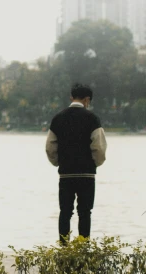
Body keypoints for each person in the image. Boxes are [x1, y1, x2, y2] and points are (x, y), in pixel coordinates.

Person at [45, 83, 107, 244]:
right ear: (87, 100)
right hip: (86, 174)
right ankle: (83, 246)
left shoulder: (58, 118)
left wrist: (58, 163)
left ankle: (64, 245)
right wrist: (94, 164)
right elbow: (99, 147)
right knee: (85, 212)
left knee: (65, 211)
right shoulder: (92, 119)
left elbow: (50, 147)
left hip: (65, 174)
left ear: (71, 97)